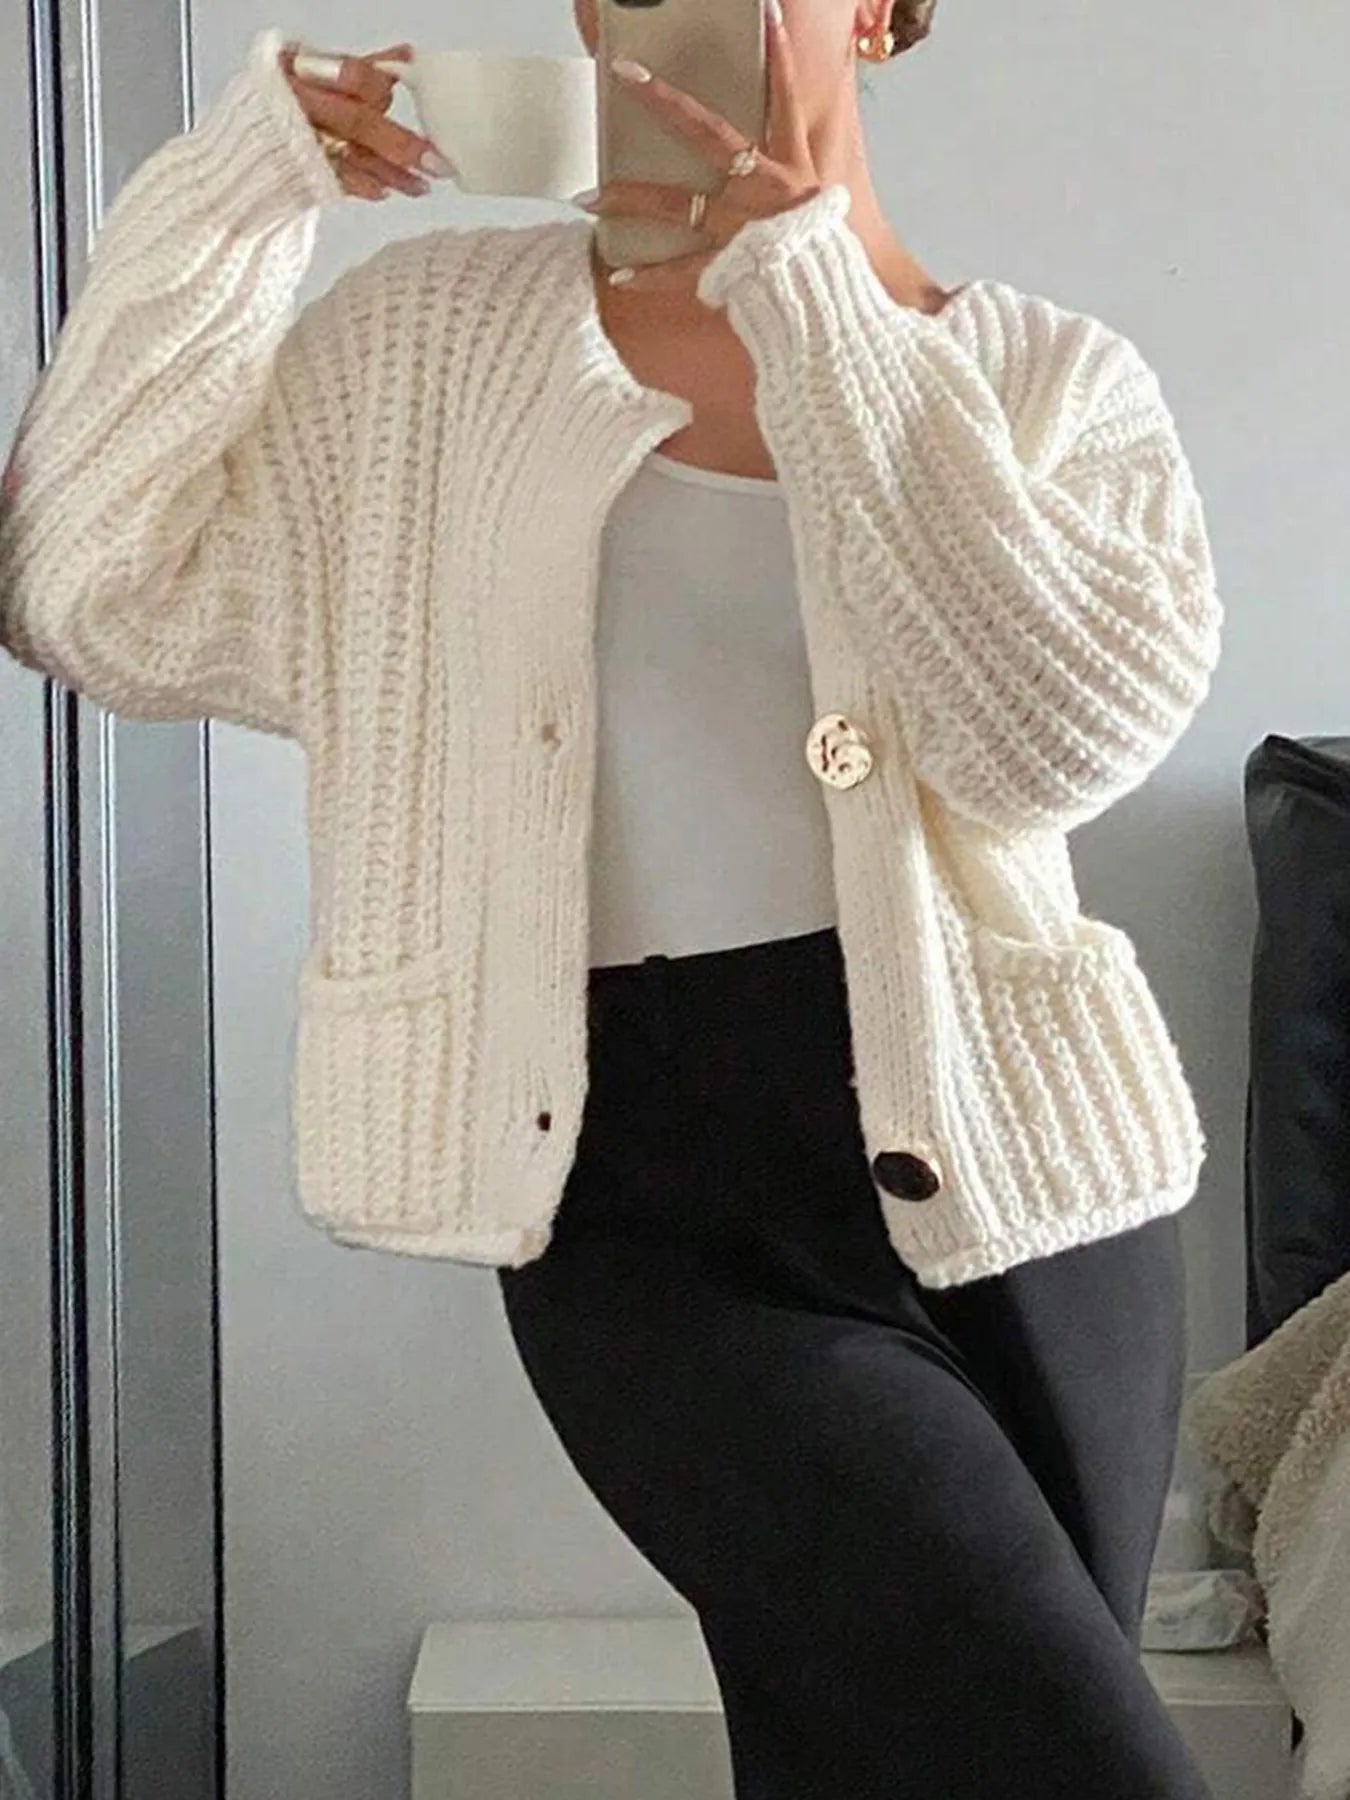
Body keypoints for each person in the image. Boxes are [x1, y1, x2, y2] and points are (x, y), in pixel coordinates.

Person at [0, 3, 1223, 1794]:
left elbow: (1046, 748)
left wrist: (811, 299)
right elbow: (92, 587)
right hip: (641, 1205)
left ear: (874, 13)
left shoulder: (1044, 378)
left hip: (1027, 1182)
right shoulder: (425, 349)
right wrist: (238, 195)